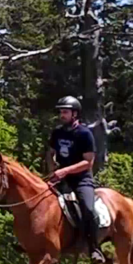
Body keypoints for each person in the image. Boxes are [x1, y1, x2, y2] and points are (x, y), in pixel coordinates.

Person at [46, 96, 102, 253]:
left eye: (65, 112)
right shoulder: (57, 132)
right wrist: (52, 171)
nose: (62, 115)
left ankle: (94, 247)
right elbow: (50, 153)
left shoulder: (84, 134)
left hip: (81, 179)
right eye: (61, 112)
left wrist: (64, 171)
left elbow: (88, 163)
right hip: (60, 178)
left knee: (88, 209)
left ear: (75, 114)